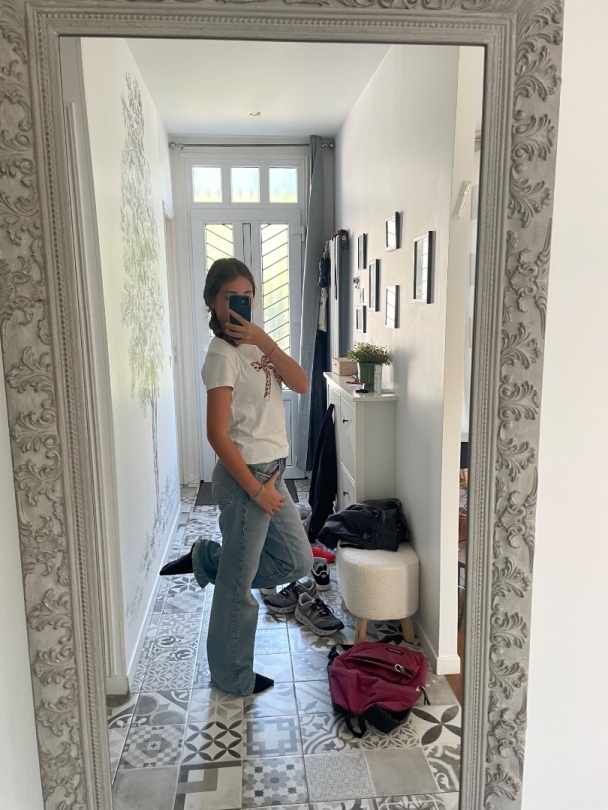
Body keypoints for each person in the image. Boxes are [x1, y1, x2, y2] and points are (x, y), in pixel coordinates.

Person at [161, 257, 313, 697]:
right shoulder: (221, 356)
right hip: (246, 479)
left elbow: (302, 384)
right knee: (237, 587)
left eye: (247, 296)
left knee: (297, 561)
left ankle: (207, 558)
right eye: (231, 297)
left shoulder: (257, 346)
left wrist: (264, 340)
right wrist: (255, 491)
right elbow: (216, 434)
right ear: (213, 301)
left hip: (273, 473)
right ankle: (232, 675)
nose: (240, 304)